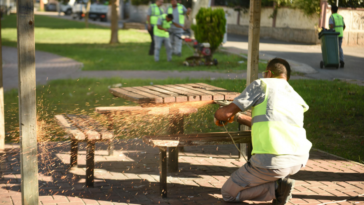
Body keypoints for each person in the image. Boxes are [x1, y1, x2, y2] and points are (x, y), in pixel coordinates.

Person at [214, 58, 312, 205]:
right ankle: (279, 185)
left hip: (271, 162)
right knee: (270, 173)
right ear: (286, 77)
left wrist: (218, 115)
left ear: (268, 73)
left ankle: (277, 188)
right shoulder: (295, 96)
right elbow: (270, 120)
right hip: (299, 159)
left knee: (228, 194)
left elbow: (225, 114)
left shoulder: (262, 84)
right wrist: (239, 117)